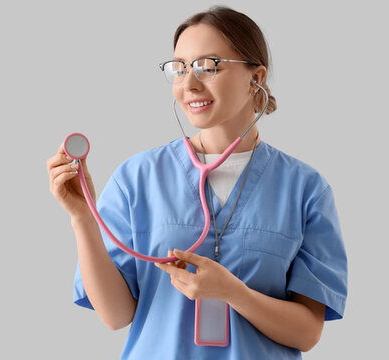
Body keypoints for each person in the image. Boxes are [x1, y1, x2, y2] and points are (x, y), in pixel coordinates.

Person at [46, 6, 347, 359]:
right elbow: (116, 316)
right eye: (179, 68)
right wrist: (83, 218)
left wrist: (234, 292)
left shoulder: (305, 190)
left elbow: (307, 333)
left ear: (257, 77)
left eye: (208, 66)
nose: (188, 84)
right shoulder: (137, 177)